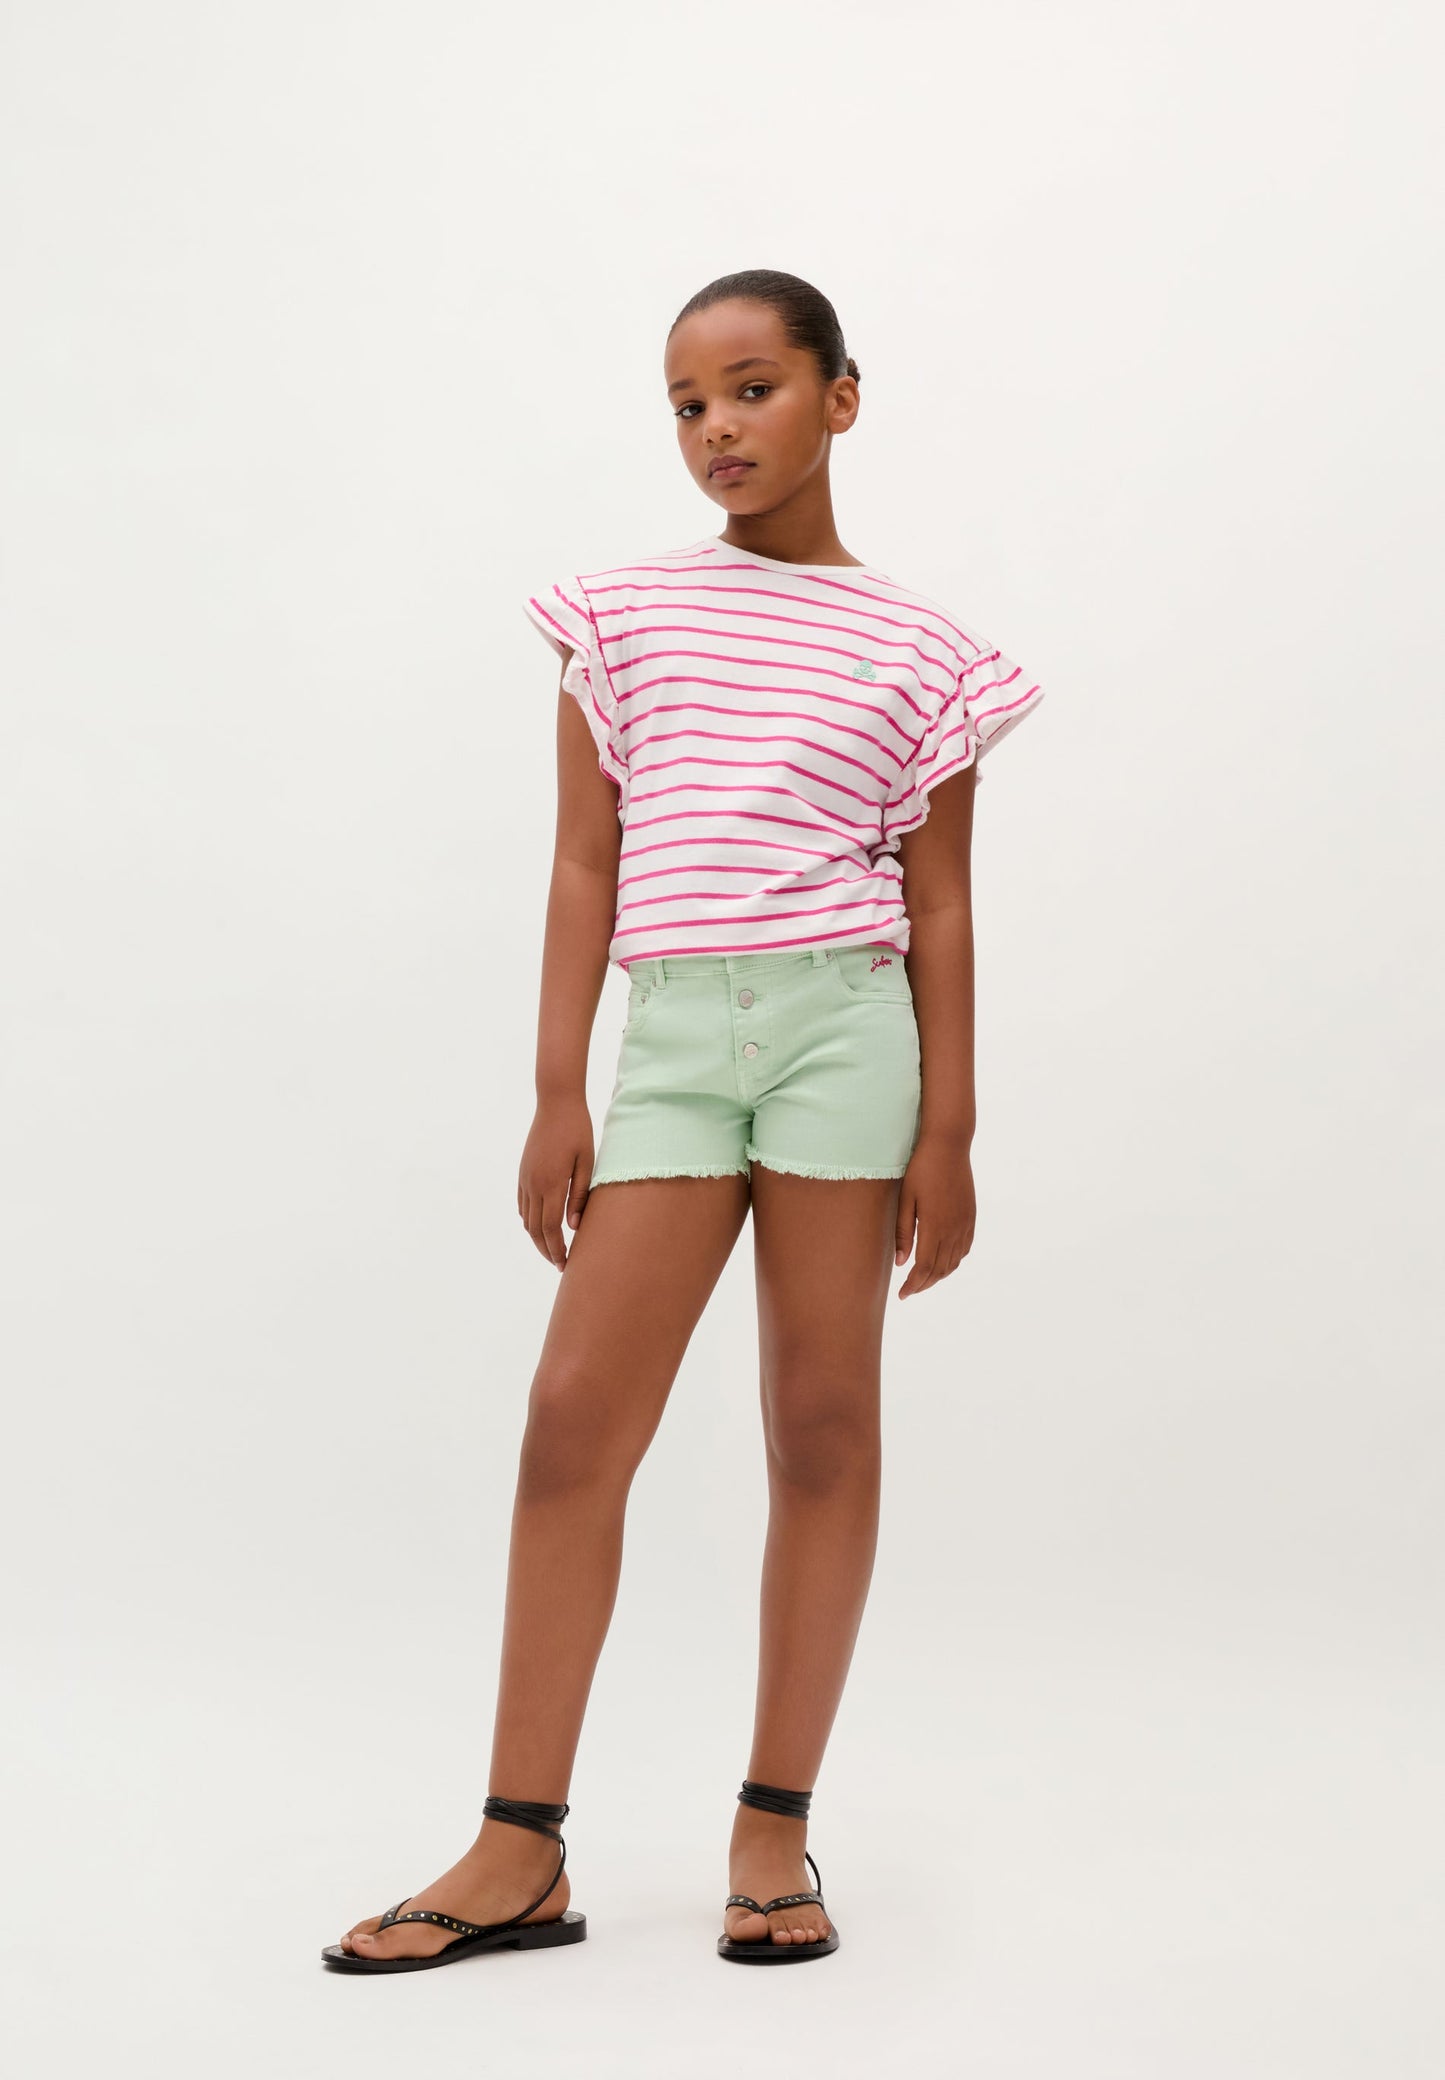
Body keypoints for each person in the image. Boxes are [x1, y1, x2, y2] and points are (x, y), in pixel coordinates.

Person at [322, 267, 1047, 1975]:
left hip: (844, 1031)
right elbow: (584, 860)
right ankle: (517, 1850)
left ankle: (772, 1831)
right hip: (670, 1040)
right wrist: (554, 1085)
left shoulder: (928, 652)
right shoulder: (621, 617)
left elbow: (939, 901)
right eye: (685, 404)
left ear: (840, 398)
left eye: (752, 388)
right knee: (574, 1417)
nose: (715, 427)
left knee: (821, 1424)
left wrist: (948, 1128)